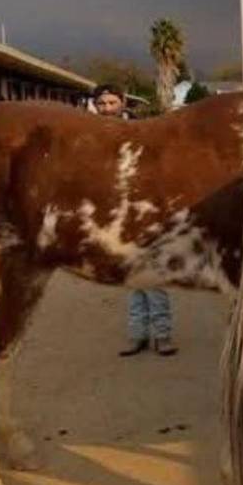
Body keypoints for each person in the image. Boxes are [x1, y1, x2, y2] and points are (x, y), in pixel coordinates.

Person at [91, 83, 179, 357]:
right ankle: (138, 335)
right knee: (132, 278)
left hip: (146, 211)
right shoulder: (92, 134)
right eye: (102, 104)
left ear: (123, 102)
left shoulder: (141, 132)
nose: (106, 109)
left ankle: (162, 335)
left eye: (111, 103)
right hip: (117, 216)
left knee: (151, 275)